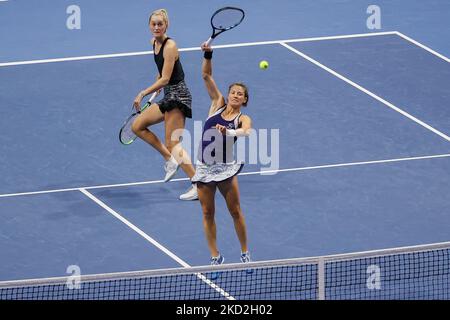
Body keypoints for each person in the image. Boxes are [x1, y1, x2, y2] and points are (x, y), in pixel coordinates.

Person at [192, 42, 253, 273]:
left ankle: (245, 253)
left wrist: (229, 131)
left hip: (225, 168)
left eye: (241, 94)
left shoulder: (242, 118)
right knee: (207, 212)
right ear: (228, 95)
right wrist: (208, 53)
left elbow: (246, 132)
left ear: (244, 100)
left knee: (235, 211)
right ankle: (215, 256)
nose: (236, 95)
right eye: (233, 92)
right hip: (204, 167)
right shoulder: (217, 104)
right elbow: (206, 75)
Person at [132, 9, 196, 199]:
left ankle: (198, 184)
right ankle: (170, 160)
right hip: (168, 94)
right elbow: (162, 73)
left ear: (166, 25)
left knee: (173, 143)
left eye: (160, 24)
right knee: (138, 126)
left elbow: (167, 78)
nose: (157, 27)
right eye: (154, 24)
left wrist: (144, 92)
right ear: (149, 26)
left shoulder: (170, 46)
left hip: (179, 97)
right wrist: (158, 80)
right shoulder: (153, 43)